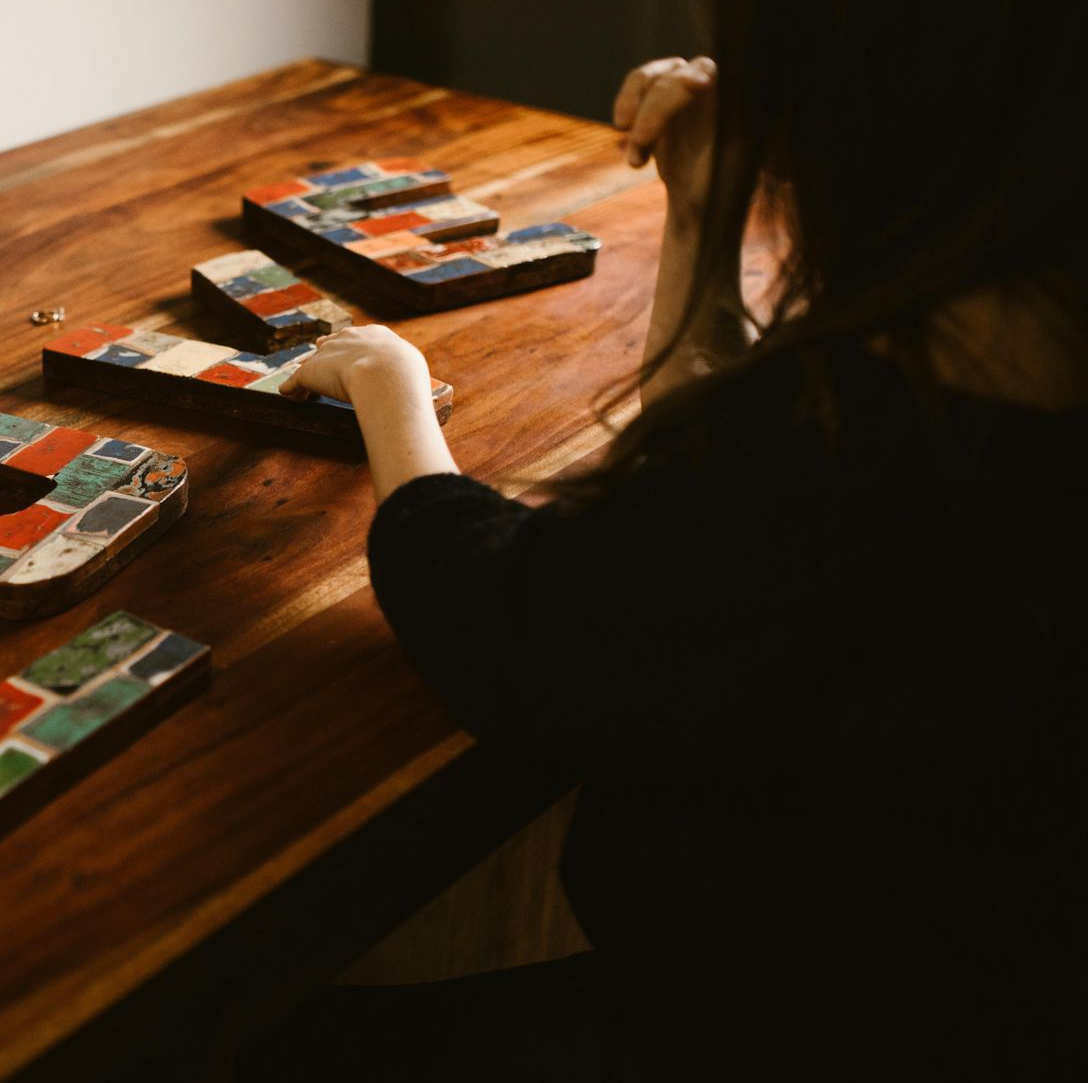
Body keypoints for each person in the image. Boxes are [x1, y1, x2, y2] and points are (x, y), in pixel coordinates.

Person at [247, 2, 1087, 1079]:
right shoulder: (993, 355)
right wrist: (702, 214)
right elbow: (705, 510)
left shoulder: (875, 442)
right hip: (966, 991)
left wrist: (388, 386)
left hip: (789, 1024)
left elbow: (507, 621)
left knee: (270, 1047)